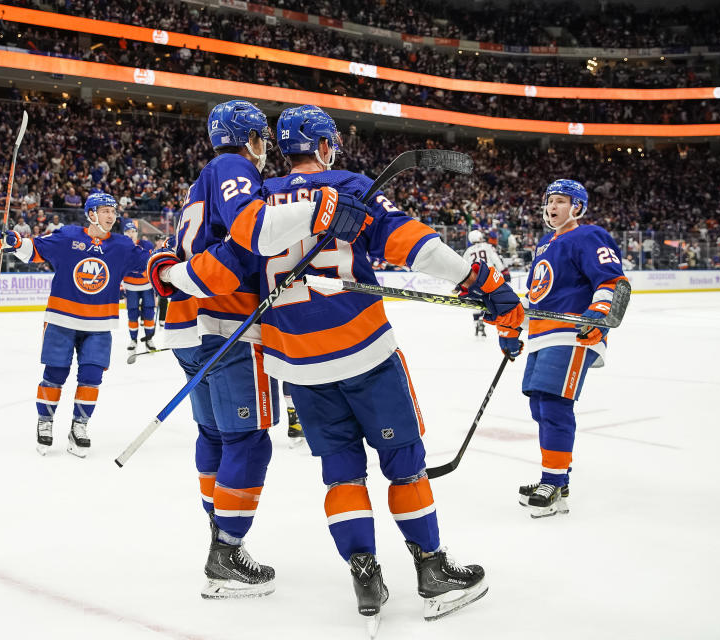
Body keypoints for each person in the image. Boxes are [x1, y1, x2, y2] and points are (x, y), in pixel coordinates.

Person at [155, 104, 522, 623]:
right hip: (364, 348)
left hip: (298, 364)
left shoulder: (261, 199)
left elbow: (227, 267)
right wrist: (481, 282)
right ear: (325, 145)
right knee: (403, 463)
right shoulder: (347, 184)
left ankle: (364, 574)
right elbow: (411, 244)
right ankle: (432, 571)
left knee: (341, 474)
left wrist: (169, 275)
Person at [146, 100, 372, 600]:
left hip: (186, 328)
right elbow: (247, 241)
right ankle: (225, 551)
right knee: (248, 441)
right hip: (226, 324)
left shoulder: (199, 180)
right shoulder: (232, 166)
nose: (266, 150)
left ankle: (218, 535)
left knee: (214, 434)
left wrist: (170, 272)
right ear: (249, 138)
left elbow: (190, 246)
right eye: (262, 140)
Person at [0, 191, 148, 457]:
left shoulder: (122, 246)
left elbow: (149, 263)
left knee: (92, 377)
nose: (112, 216)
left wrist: (172, 253)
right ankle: (46, 421)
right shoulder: (68, 237)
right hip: (62, 319)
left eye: (113, 211)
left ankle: (79, 426)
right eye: (105, 211)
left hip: (99, 324)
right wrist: (13, 241)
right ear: (91, 214)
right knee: (54, 374)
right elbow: (35, 248)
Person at [518, 179, 629, 518]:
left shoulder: (588, 235)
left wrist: (599, 314)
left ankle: (551, 482)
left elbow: (611, 280)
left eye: (562, 201)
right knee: (539, 405)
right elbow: (538, 295)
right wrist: (512, 320)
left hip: (571, 332)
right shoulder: (543, 244)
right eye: (550, 200)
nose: (553, 207)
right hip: (541, 333)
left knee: (553, 405)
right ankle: (558, 478)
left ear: (577, 207)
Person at [120, 218, 157, 354]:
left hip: (147, 287)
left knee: (149, 313)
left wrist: (155, 286)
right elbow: (120, 268)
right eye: (128, 231)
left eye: (133, 231)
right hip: (130, 288)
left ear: (137, 233)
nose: (131, 233)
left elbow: (151, 264)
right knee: (132, 314)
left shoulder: (146, 245)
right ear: (124, 233)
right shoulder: (120, 247)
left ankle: (149, 339)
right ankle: (133, 340)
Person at [463, 228, 508, 337]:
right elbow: (496, 259)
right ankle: (488, 320)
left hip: (474, 279)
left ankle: (476, 323)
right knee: (489, 299)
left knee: (475, 301)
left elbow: (464, 266)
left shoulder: (468, 251)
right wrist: (504, 271)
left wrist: (462, 283)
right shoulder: (487, 246)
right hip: (488, 277)